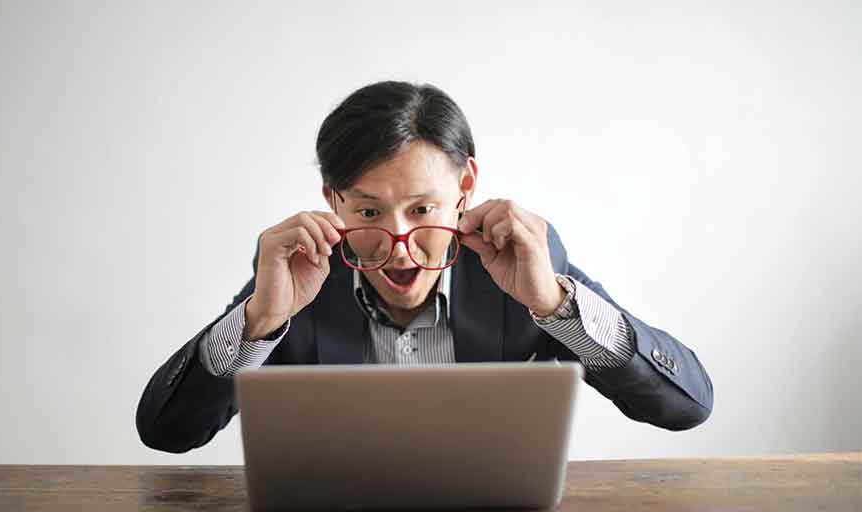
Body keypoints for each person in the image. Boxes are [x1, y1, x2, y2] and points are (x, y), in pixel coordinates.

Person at [136, 80, 714, 454]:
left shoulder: (525, 261)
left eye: (422, 210)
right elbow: (167, 433)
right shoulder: (299, 273)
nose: (399, 243)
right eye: (368, 211)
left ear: (465, 188)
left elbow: (686, 407)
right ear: (332, 200)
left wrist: (555, 306)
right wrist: (259, 320)